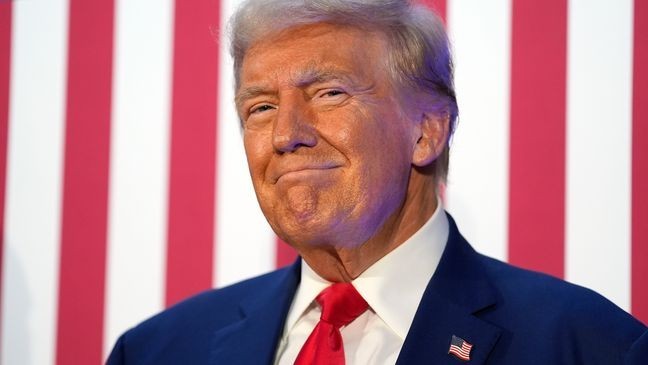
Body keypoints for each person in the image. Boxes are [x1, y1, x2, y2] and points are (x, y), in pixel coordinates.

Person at [107, 0, 647, 364]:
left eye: (330, 93)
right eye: (262, 106)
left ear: (426, 131)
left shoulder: (590, 346)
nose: (286, 135)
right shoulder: (160, 350)